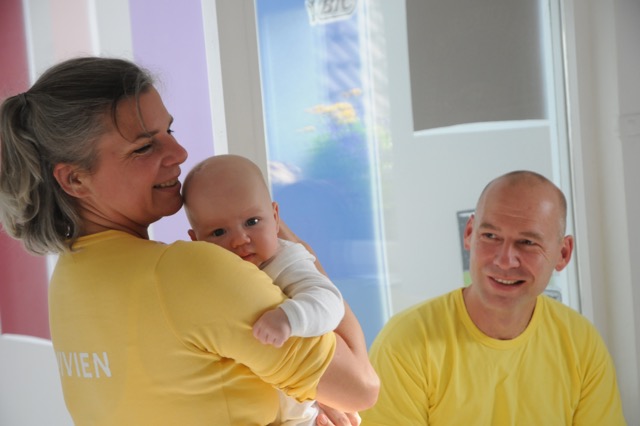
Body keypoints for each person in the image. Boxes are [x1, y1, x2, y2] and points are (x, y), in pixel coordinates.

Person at [0, 56, 378, 425]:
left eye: (170, 131)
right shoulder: (190, 272)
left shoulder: (68, 278)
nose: (179, 154)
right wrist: (293, 247)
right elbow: (360, 388)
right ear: (75, 179)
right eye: (144, 147)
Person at [360, 171, 626, 425]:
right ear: (469, 234)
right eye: (490, 236)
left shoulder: (581, 342)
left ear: (563, 254)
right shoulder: (404, 343)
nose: (505, 260)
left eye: (527, 242)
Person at [182, 154, 348, 425]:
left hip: (301, 413)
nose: (239, 239)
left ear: (275, 217)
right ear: (196, 240)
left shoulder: (288, 260)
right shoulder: (210, 277)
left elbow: (329, 302)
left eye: (252, 222)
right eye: (219, 232)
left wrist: (289, 318)